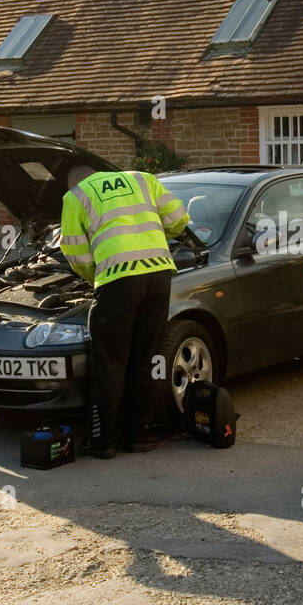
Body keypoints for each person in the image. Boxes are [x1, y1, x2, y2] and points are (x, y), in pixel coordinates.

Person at [61, 164, 189, 459]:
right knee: (148, 355)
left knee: (109, 360)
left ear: (74, 183)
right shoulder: (144, 180)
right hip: (158, 275)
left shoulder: (76, 197)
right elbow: (179, 219)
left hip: (117, 280)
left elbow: (76, 253)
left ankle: (103, 441)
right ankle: (138, 434)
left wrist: (96, 275)